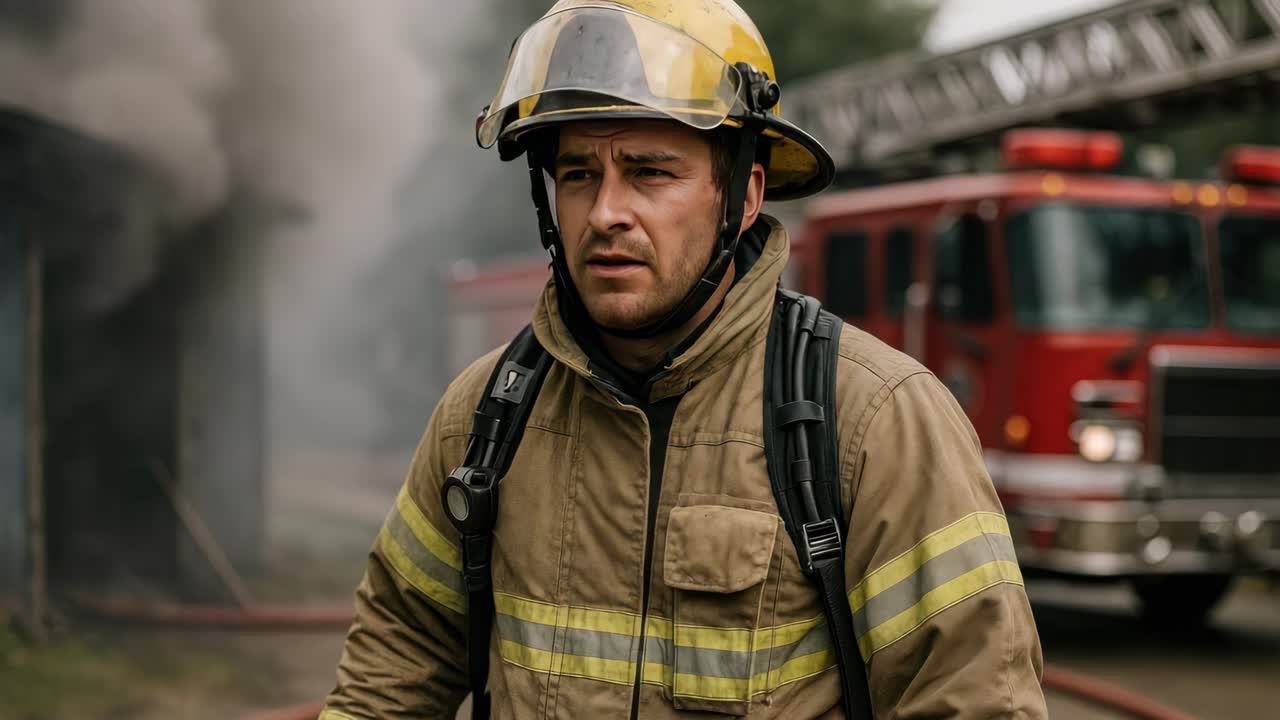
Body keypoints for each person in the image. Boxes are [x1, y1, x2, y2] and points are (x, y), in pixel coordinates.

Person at [320, 1, 1048, 717]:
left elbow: (974, 701)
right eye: (578, 174)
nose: (606, 211)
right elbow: (391, 671)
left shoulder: (873, 420)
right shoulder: (483, 418)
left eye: (649, 172)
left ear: (744, 194)